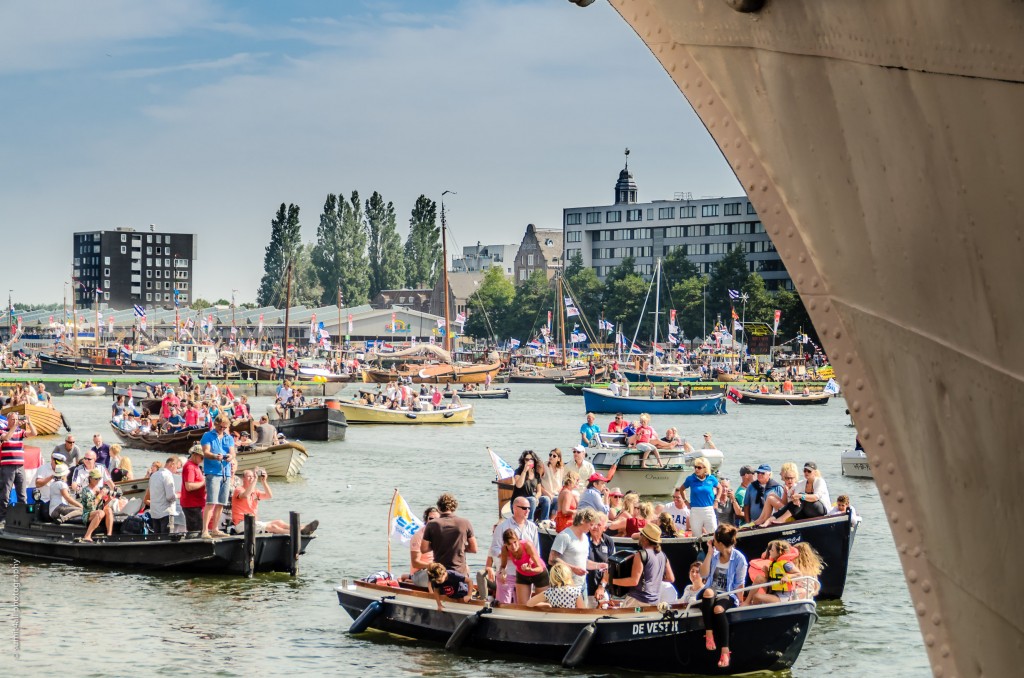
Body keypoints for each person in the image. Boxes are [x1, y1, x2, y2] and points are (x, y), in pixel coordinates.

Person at [697, 524, 748, 669]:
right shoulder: (713, 555)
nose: (712, 541)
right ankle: (709, 633)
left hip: (727, 594)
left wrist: (742, 602)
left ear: (719, 543)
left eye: (714, 540)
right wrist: (708, 553)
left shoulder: (739, 559)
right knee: (708, 592)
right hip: (711, 592)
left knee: (718, 610)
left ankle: (725, 650)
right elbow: (703, 574)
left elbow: (739, 584)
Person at [486, 497, 540, 604]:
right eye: (524, 508)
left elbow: (536, 551)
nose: (528, 510)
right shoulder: (502, 527)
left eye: (529, 508)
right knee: (503, 604)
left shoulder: (532, 527)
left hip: (525, 574)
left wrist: (531, 566)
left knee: (523, 606)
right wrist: (510, 556)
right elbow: (495, 549)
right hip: (508, 572)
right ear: (515, 508)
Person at [608, 522, 674, 608]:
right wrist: (651, 578)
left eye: (641, 534)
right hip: (654, 602)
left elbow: (634, 581)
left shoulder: (641, 554)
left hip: (637, 603)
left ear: (645, 539)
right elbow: (670, 578)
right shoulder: (663, 555)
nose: (640, 536)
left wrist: (610, 579)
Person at [420, 492, 477, 577]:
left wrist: (437, 545)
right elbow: (474, 549)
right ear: (454, 508)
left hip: (439, 572)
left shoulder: (432, 524)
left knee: (438, 589)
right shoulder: (465, 523)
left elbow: (423, 549)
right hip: (459, 571)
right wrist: (460, 547)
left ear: (439, 508)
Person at [200, 414, 235, 539]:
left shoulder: (229, 437)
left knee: (221, 502)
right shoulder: (207, 436)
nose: (223, 429)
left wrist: (230, 457)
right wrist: (215, 456)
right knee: (211, 502)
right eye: (221, 427)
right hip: (213, 472)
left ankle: (215, 528)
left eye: (225, 427)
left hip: (226, 473)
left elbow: (232, 453)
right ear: (216, 425)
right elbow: (206, 452)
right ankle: (205, 530)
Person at [548, 507, 597, 592]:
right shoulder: (564, 536)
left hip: (582, 585)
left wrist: (599, 565)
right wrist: (573, 568)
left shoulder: (585, 538)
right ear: (582, 521)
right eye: (591, 524)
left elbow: (584, 561)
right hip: (565, 586)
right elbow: (552, 560)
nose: (592, 528)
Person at [767, 461, 831, 524]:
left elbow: (815, 497)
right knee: (792, 503)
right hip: (807, 512)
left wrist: (800, 496)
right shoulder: (802, 483)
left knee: (802, 496)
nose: (806, 472)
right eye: (805, 470)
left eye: (809, 471)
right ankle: (771, 518)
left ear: (814, 472)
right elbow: (794, 496)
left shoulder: (819, 481)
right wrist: (795, 499)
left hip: (821, 510)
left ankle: (782, 519)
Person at [0, 413, 37, 521]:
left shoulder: (20, 432)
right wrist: (15, 426)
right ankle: (3, 517)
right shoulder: (3, 431)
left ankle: (23, 517)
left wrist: (29, 422)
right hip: (7, 467)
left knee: (22, 494)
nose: (15, 421)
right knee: (5, 494)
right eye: (13, 419)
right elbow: (6, 438)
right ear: (7, 420)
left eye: (16, 419)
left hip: (20, 466)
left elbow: (34, 433)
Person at [499, 528, 549, 604]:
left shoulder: (527, 545)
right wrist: (503, 572)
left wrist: (530, 570)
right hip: (522, 575)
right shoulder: (504, 549)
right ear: (505, 544)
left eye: (515, 542)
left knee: (541, 605)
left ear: (518, 540)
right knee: (523, 606)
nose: (513, 546)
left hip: (539, 574)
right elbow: (503, 566)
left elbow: (540, 568)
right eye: (509, 544)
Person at [744, 539, 801, 605]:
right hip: (774, 590)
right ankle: (747, 602)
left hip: (783, 596)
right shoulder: (774, 563)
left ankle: (756, 611)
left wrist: (787, 577)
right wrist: (766, 572)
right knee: (759, 578)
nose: (770, 551)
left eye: (772, 550)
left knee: (756, 596)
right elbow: (770, 579)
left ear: (779, 552)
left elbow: (799, 574)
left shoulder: (786, 564)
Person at [755, 462, 802, 527]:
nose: (780, 473)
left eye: (781, 472)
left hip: (791, 513)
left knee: (771, 498)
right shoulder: (787, 486)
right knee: (771, 495)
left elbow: (792, 505)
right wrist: (785, 493)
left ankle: (762, 519)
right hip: (786, 510)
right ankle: (761, 519)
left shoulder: (795, 487)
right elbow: (784, 503)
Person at [683, 457, 720, 537]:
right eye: (695, 467)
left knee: (713, 533)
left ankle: (713, 549)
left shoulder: (711, 478)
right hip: (695, 510)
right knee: (696, 535)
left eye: (699, 467)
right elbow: (681, 489)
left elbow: (720, 487)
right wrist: (685, 501)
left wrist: (716, 500)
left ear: (705, 468)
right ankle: (698, 549)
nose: (696, 469)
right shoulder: (690, 479)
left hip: (709, 509)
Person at [584, 513, 616, 600]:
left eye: (598, 524)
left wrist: (602, 586)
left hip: (603, 588)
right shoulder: (583, 539)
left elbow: (611, 567)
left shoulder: (609, 542)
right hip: (584, 588)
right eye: (593, 524)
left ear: (605, 528)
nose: (595, 527)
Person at [146, 456, 180, 534]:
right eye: (176, 467)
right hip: (166, 513)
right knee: (166, 538)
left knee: (157, 538)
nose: (176, 470)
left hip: (155, 513)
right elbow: (170, 497)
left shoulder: (153, 476)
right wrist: (179, 495)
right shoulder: (168, 476)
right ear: (172, 464)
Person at [80, 469, 115, 542]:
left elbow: (101, 506)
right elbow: (90, 506)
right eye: (96, 479)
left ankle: (109, 534)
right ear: (90, 478)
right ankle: (87, 535)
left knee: (108, 509)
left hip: (98, 511)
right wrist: (100, 495)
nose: (98, 480)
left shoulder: (98, 488)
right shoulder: (86, 490)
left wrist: (109, 499)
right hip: (88, 514)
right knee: (100, 513)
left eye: (99, 478)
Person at [408, 506, 440, 587]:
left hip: (437, 569)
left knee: (463, 568)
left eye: (437, 519)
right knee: (436, 573)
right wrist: (432, 566)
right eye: (431, 518)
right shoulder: (418, 537)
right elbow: (415, 563)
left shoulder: (442, 535)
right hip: (420, 573)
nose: (434, 521)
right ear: (426, 520)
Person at [179, 445, 207, 533]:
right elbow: (189, 486)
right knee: (195, 532)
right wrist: (204, 483)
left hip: (195, 504)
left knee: (197, 530)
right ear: (195, 455)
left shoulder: (194, 466)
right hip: (192, 505)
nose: (203, 459)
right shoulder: (190, 467)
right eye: (201, 457)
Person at [510, 450, 543, 521]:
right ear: (523, 461)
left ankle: (544, 521)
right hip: (519, 501)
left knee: (546, 499)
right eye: (527, 459)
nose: (529, 461)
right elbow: (519, 485)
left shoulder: (536, 474)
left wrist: (536, 497)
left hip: (531, 500)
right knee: (532, 499)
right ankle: (530, 521)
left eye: (531, 459)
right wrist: (524, 471)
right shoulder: (519, 471)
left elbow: (539, 491)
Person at [538, 448, 564, 522]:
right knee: (550, 499)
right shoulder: (544, 466)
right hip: (545, 493)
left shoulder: (561, 468)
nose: (551, 457)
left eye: (554, 456)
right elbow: (538, 483)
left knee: (561, 498)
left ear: (559, 459)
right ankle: (545, 521)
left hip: (556, 494)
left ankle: (552, 520)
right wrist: (547, 493)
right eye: (550, 455)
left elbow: (560, 484)